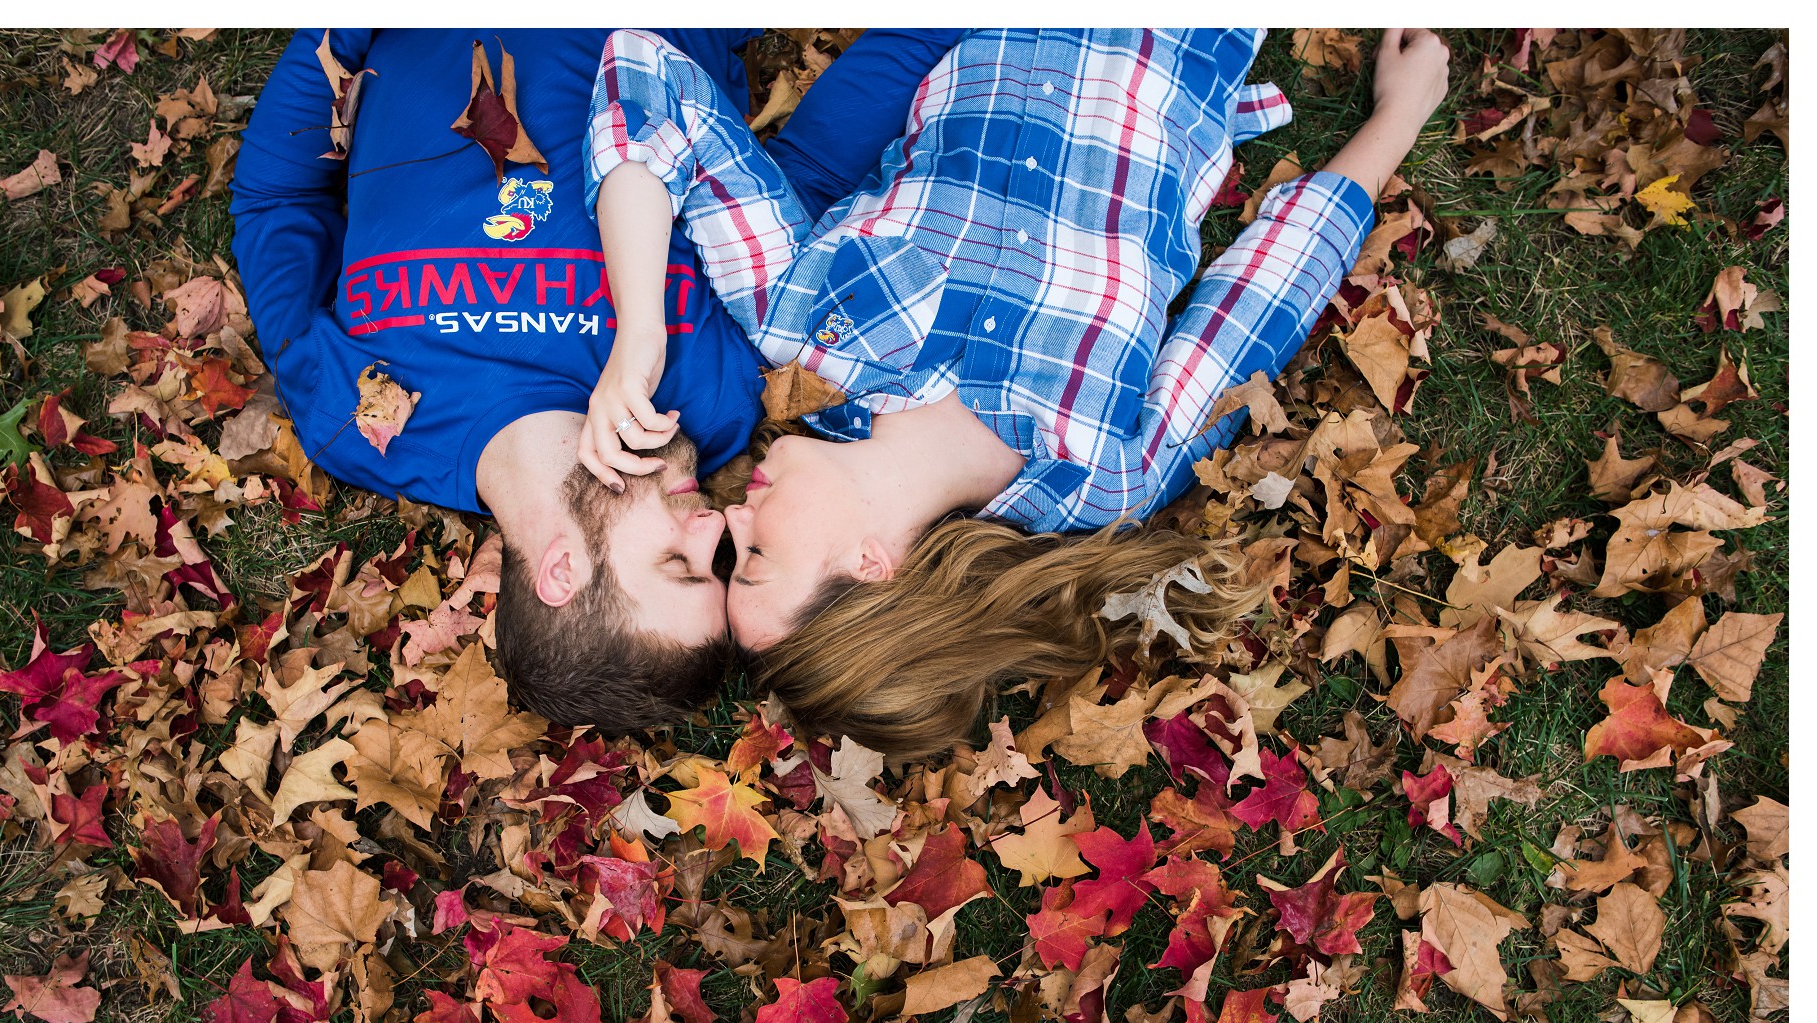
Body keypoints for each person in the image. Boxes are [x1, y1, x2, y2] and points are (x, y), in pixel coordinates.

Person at [580, 28, 1452, 755]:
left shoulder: (804, 331)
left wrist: (640, 333)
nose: (732, 519)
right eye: (758, 558)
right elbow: (1266, 292)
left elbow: (647, 79)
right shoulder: (1103, 475)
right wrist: (1402, 113)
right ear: (872, 566)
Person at [230, 27, 961, 733]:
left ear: (561, 572)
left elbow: (276, 203)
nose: (715, 525)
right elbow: (811, 175)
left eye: (679, 563)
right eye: (722, 562)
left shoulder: (359, 421)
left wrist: (345, 28)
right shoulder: (708, 400)